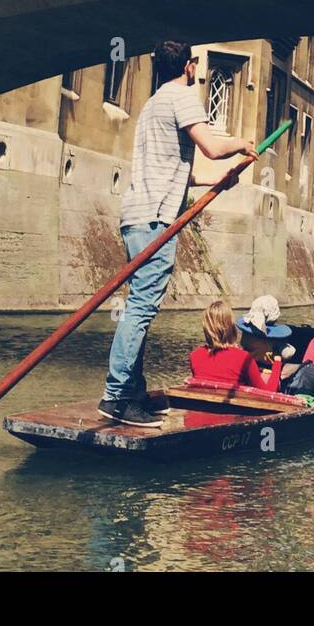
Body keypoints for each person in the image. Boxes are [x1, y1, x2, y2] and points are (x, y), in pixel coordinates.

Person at [99, 41, 256, 428]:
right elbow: (212, 147)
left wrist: (216, 181)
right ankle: (116, 396)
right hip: (156, 218)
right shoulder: (182, 96)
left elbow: (173, 169)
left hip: (136, 215)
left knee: (138, 305)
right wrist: (241, 145)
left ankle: (132, 391)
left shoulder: (152, 104)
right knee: (141, 308)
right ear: (190, 65)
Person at [189, 299, 283, 392]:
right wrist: (277, 363)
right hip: (233, 402)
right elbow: (268, 391)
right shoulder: (244, 358)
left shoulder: (194, 356)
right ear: (230, 327)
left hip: (205, 401)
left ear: (206, 328)